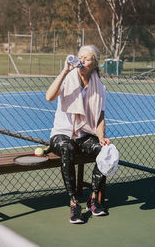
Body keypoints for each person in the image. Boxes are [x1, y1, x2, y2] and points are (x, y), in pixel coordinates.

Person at [46, 45, 111, 224]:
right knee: (67, 148)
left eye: (86, 58)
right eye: (79, 56)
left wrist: (101, 137)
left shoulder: (100, 88)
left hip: (83, 135)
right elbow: (49, 96)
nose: (81, 60)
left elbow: (100, 118)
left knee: (106, 150)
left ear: (95, 63)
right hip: (61, 135)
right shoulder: (68, 79)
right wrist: (65, 70)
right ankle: (74, 203)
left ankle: (93, 199)